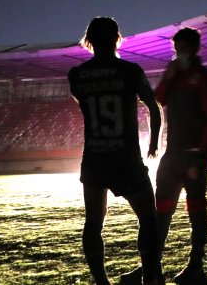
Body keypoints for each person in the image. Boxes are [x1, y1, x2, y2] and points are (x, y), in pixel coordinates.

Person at [69, 17, 163, 285]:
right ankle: (149, 277)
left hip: (95, 158)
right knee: (148, 217)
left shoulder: (76, 75)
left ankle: (102, 281)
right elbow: (154, 107)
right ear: (116, 38)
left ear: (89, 41)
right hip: (126, 158)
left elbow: (83, 100)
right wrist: (154, 143)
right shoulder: (130, 70)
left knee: (93, 223)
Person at [149, 27, 207, 284]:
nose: (179, 53)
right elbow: (157, 100)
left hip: (193, 156)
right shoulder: (175, 75)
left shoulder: (203, 77)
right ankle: (151, 265)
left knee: (196, 209)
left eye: (183, 48)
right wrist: (169, 76)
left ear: (194, 48)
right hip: (172, 154)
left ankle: (195, 265)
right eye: (176, 48)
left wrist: (201, 155)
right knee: (161, 210)